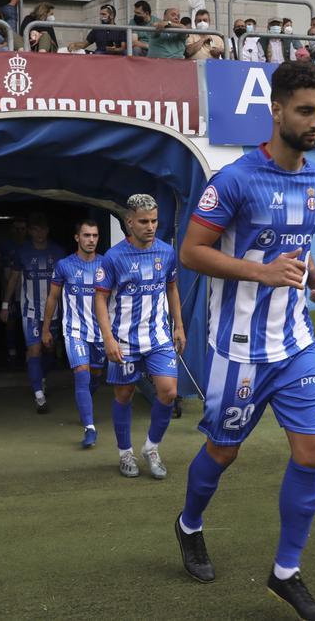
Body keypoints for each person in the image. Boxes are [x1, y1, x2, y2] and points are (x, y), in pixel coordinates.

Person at [175, 61, 315, 620]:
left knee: (312, 452)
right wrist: (263, 273)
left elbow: (296, 244)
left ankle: (285, 573)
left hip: (295, 343)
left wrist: (310, 275)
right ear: (276, 110)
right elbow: (192, 253)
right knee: (224, 451)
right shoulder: (235, 179)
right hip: (238, 348)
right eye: (305, 110)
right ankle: (189, 523)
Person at [93, 194, 185, 480]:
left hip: (158, 338)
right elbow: (100, 299)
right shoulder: (113, 257)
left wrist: (179, 325)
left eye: (154, 221)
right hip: (125, 342)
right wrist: (107, 338)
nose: (150, 226)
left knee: (169, 391)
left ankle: (152, 448)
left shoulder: (166, 252)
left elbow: (172, 288)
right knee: (125, 394)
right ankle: (125, 453)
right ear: (129, 222)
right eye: (144, 221)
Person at [41, 219, 107, 449]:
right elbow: (53, 298)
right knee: (82, 374)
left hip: (101, 333)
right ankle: (89, 428)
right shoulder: (64, 265)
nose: (91, 240)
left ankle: (85, 404)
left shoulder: (106, 264)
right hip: (75, 331)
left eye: (95, 236)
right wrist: (46, 327)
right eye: (86, 235)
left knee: (95, 376)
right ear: (77, 237)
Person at [1, 213, 66, 413]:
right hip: (30, 312)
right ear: (30, 232)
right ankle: (39, 396)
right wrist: (5, 304)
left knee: (49, 352)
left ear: (47, 230)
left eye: (42, 229)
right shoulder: (22, 252)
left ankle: (40, 377)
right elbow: (13, 279)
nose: (39, 233)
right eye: (35, 229)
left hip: (54, 312)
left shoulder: (58, 252)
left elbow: (67, 281)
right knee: (34, 350)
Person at [0, 217, 29, 363]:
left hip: (28, 292)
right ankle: (12, 350)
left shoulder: (30, 246)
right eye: (17, 228)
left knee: (29, 321)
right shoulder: (4, 246)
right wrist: (4, 292)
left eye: (22, 229)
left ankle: (30, 349)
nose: (19, 232)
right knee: (10, 321)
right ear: (11, 230)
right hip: (10, 291)